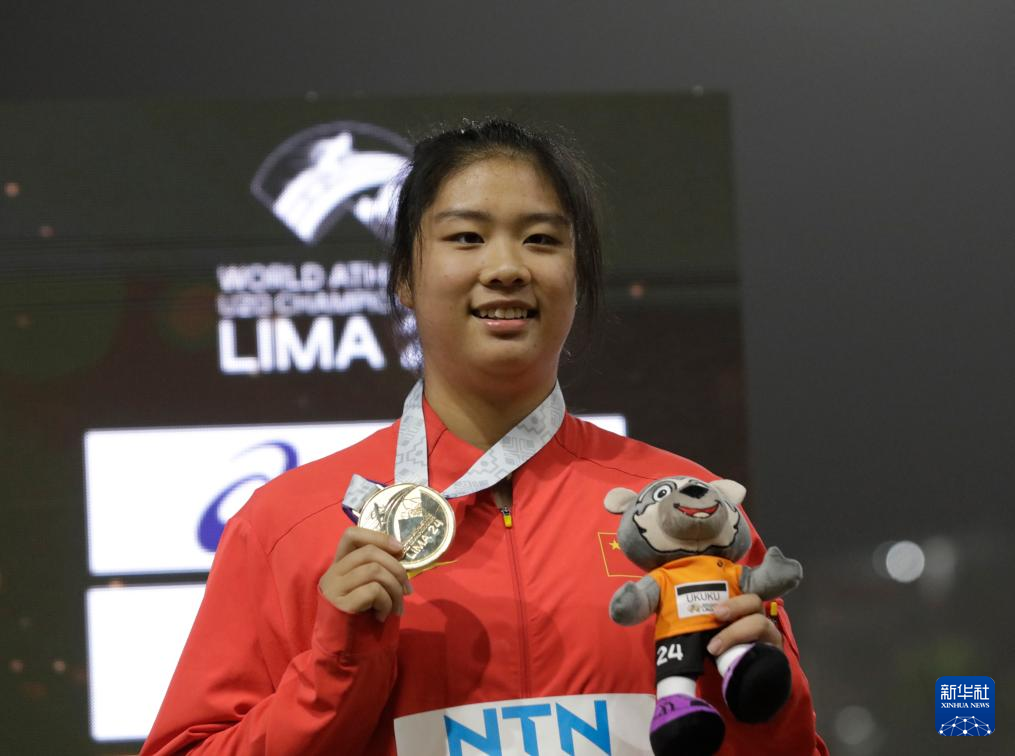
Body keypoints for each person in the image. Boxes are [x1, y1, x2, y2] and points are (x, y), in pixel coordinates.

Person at [141, 119, 827, 755]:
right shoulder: (289, 524)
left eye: (541, 239)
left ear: (577, 278)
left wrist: (772, 706)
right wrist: (334, 670)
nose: (506, 267)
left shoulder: (687, 510)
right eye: (466, 237)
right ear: (404, 278)